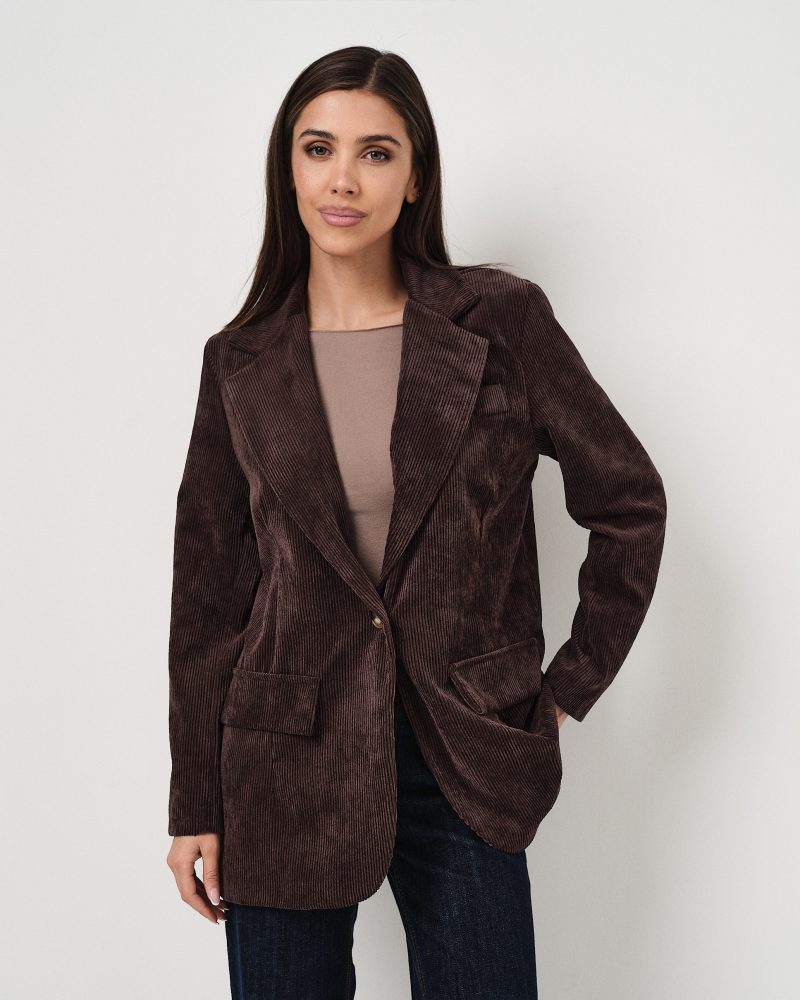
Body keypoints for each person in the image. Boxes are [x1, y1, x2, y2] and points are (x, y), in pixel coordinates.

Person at [165, 45, 667, 1000]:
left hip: (464, 748)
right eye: (318, 149)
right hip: (281, 758)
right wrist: (195, 800)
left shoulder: (500, 323)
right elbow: (208, 597)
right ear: (288, 169)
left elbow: (629, 501)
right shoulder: (239, 361)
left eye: (376, 152)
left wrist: (567, 687)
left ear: (416, 177)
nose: (343, 180)